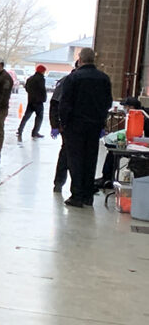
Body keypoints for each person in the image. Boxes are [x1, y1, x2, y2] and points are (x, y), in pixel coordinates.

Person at [59, 47, 112, 208]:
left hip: (76, 125)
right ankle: (88, 195)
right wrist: (101, 120)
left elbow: (65, 103)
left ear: (80, 60)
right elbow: (107, 102)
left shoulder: (73, 78)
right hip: (94, 125)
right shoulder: (104, 78)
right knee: (90, 159)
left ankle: (77, 195)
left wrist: (64, 123)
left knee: (75, 160)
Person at [95, 96, 147, 189]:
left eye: (126, 107)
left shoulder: (141, 117)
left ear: (131, 107)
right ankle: (106, 178)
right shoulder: (134, 115)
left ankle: (107, 179)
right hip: (136, 143)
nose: (124, 109)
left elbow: (138, 134)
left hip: (141, 146)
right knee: (111, 151)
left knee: (113, 152)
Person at [49, 64, 75, 193]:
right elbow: (54, 103)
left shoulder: (89, 81)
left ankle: (73, 186)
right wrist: (54, 125)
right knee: (66, 153)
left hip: (78, 124)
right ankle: (59, 183)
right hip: (67, 125)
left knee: (69, 154)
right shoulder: (66, 81)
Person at [17, 65, 47, 139]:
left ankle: (20, 130)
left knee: (26, 116)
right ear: (42, 71)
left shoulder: (30, 78)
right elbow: (42, 89)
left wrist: (31, 94)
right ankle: (35, 132)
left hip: (31, 100)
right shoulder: (41, 79)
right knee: (39, 117)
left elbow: (26, 87)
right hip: (38, 101)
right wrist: (43, 98)